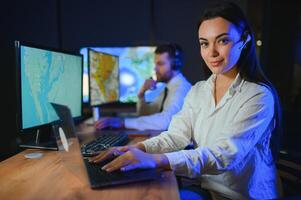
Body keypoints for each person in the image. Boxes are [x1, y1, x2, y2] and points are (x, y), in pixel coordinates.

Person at [90, 1, 283, 199]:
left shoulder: (258, 95)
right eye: (204, 43)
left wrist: (155, 160)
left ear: (245, 40)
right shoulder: (199, 90)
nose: (212, 52)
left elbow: (224, 155)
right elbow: (176, 135)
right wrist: (136, 148)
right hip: (207, 188)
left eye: (223, 41)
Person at [94, 44, 192, 131]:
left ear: (175, 65)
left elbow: (165, 121)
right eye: (155, 64)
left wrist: (122, 122)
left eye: (160, 64)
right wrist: (141, 94)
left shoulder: (181, 89)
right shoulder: (167, 88)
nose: (155, 68)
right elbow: (146, 115)